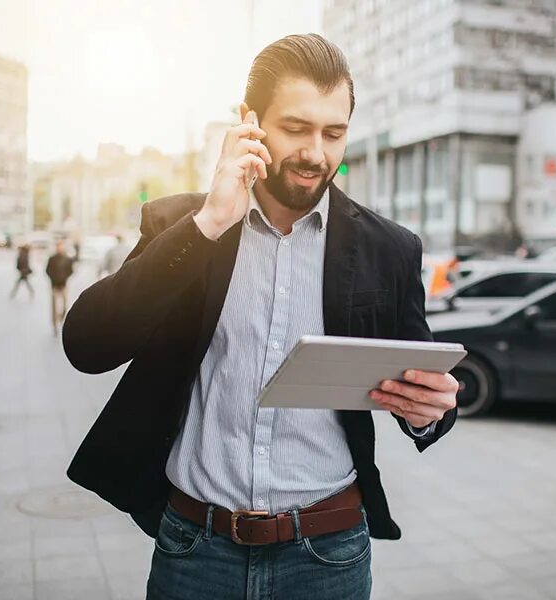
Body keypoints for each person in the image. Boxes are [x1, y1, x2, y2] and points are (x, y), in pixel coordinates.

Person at [62, 34, 458, 600]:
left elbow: (423, 392)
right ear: (249, 121)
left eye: (334, 132)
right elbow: (87, 346)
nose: (316, 153)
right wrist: (207, 225)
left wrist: (428, 410)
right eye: (296, 128)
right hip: (196, 548)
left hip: (328, 553)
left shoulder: (388, 249)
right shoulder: (184, 224)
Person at [45, 240, 73, 336]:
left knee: (65, 306)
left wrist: (64, 278)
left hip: (63, 285)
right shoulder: (52, 259)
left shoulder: (67, 258)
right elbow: (47, 270)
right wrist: (53, 279)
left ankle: (61, 319)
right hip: (54, 285)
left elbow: (70, 271)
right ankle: (55, 324)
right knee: (54, 306)